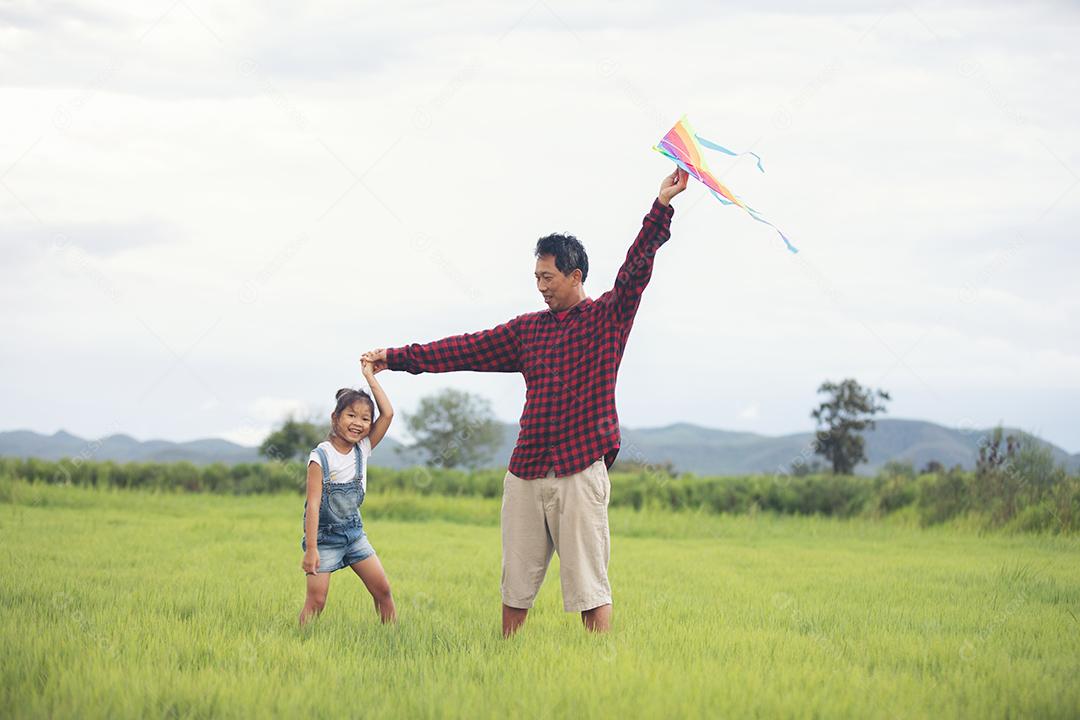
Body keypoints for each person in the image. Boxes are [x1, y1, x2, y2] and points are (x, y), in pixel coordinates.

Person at [363, 168, 689, 636]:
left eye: (548, 277)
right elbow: (465, 349)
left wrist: (661, 206)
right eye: (536, 277)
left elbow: (634, 271)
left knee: (590, 590)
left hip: (579, 471)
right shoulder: (527, 330)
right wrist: (396, 358)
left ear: (575, 275)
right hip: (527, 470)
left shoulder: (607, 318)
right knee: (514, 588)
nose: (541, 286)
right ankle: (505, 660)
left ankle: (601, 672)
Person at [298, 359, 397, 625]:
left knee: (383, 591)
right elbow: (314, 505)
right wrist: (311, 550)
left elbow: (387, 414)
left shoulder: (362, 449)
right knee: (316, 602)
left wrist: (370, 377)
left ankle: (392, 641)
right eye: (351, 415)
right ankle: (298, 641)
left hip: (354, 534)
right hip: (325, 539)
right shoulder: (321, 456)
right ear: (336, 418)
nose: (358, 423)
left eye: (365, 418)